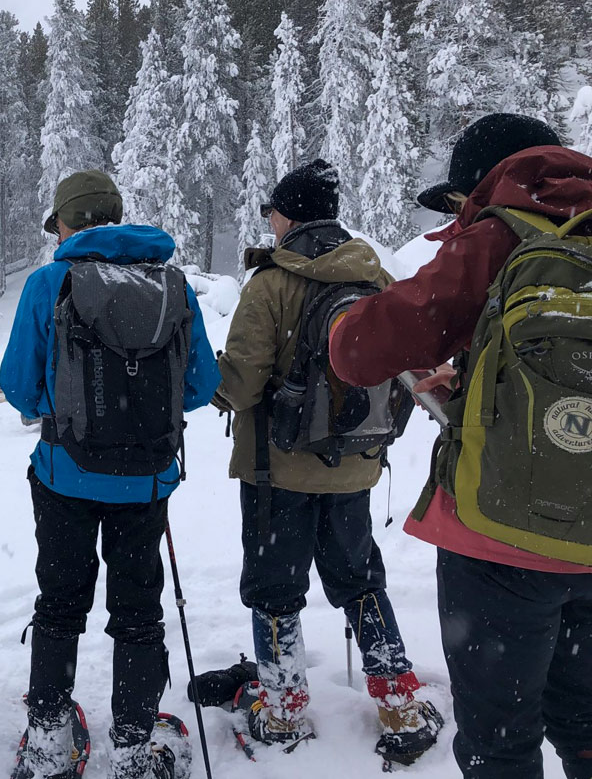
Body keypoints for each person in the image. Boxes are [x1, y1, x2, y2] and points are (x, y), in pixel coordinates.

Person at [330, 113, 592, 779]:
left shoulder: (502, 232)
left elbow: (360, 352)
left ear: (485, 182)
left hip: (503, 539)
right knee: (586, 721)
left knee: (499, 742)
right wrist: (480, 374)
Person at [213, 160, 440, 764]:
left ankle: (284, 713)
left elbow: (240, 385)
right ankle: (398, 701)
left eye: (273, 211)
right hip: (355, 468)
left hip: (275, 471)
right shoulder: (376, 279)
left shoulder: (270, 284)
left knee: (274, 588)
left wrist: (210, 378)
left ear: (288, 215)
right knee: (360, 581)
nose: (270, 219)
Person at [0, 170, 220, 779]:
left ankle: (48, 740)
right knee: (138, 609)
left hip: (64, 476)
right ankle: (133, 746)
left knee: (61, 601)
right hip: (147, 480)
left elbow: (19, 385)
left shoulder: (50, 284)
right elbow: (202, 384)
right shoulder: (173, 285)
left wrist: (66, 408)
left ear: (67, 224)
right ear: (117, 216)